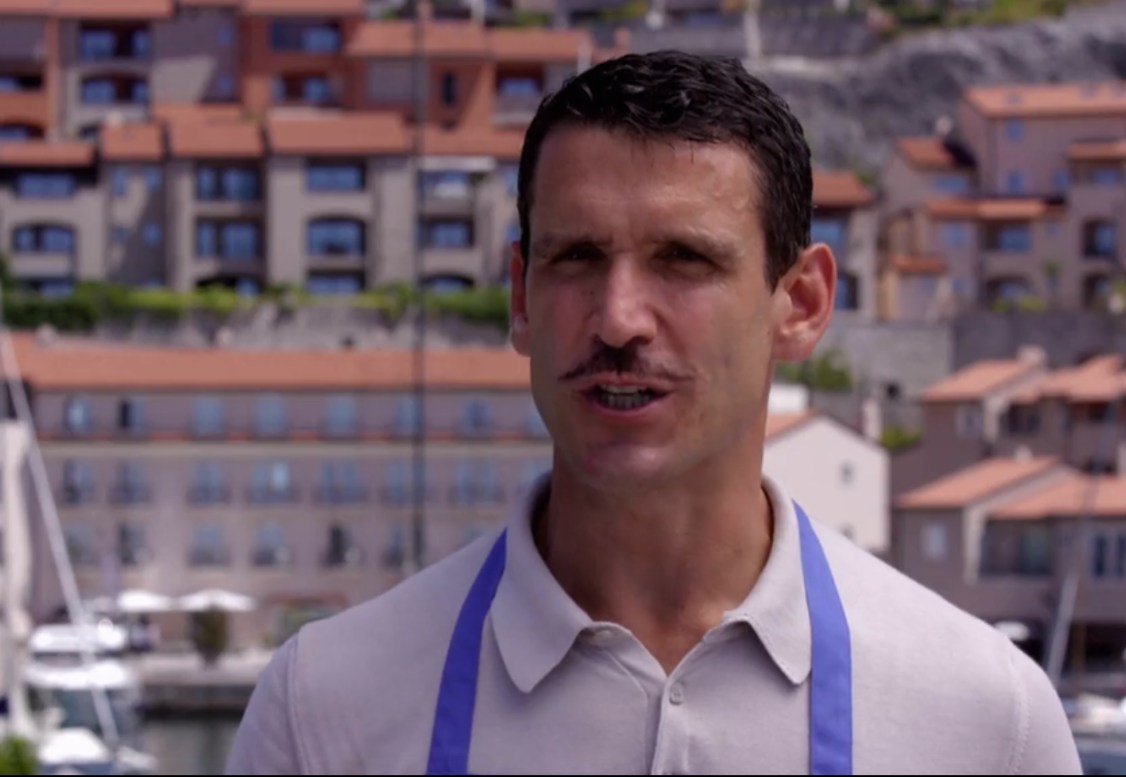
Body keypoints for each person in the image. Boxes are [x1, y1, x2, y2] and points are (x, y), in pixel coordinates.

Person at [226, 51, 1082, 775]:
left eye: (683, 259)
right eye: (577, 257)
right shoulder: (323, 711)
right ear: (521, 298)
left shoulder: (986, 722)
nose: (618, 318)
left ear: (802, 303)